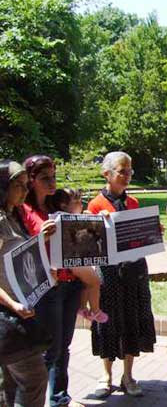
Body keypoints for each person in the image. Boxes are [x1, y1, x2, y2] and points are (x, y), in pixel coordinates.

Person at [87, 152, 156, 399]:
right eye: (122, 171)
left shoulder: (134, 203)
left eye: (130, 171)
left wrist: (152, 232)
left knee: (133, 318)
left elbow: (138, 237)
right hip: (108, 272)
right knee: (107, 320)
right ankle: (106, 374)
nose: (127, 176)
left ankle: (128, 375)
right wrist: (97, 223)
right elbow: (88, 241)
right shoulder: (95, 205)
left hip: (134, 270)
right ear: (107, 174)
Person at [20, 155, 83, 407]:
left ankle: (59, 398)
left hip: (70, 282)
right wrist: (40, 238)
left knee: (64, 346)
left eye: (54, 177)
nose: (51, 182)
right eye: (45, 178)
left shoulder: (55, 206)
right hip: (47, 287)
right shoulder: (22, 210)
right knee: (50, 349)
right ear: (31, 180)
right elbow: (18, 253)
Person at [0, 160, 48, 407]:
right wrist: (14, 305)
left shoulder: (15, 216)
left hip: (20, 308)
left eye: (25, 185)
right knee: (35, 378)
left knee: (11, 381)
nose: (25, 190)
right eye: (18, 185)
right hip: (7, 313)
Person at [51, 188, 107, 323]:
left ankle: (82, 307)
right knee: (95, 281)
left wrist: (98, 216)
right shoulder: (60, 217)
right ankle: (95, 310)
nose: (81, 204)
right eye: (77, 201)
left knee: (86, 284)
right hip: (71, 259)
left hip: (74, 259)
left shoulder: (65, 216)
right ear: (64, 205)